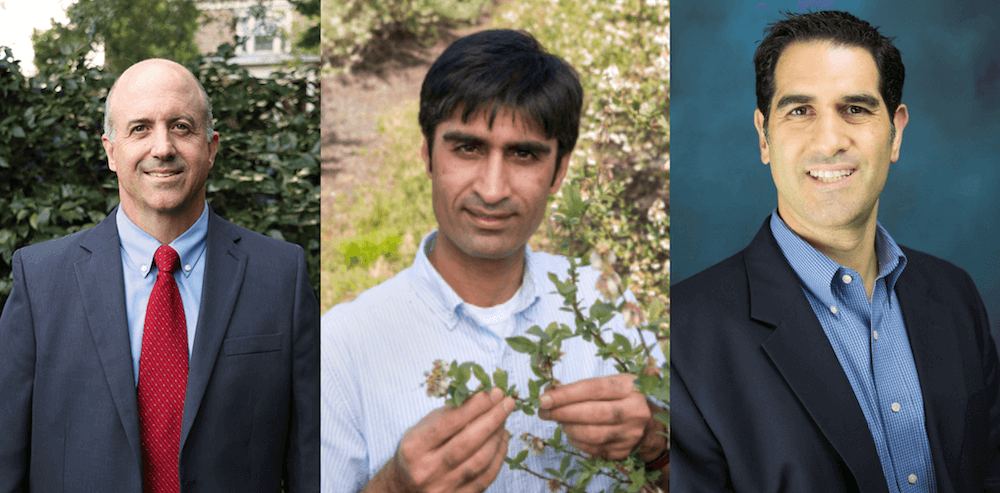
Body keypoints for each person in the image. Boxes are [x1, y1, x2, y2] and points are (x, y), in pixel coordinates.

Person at [320, 29, 667, 493]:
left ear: (559, 171)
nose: (493, 188)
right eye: (468, 148)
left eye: (524, 154)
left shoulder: (601, 298)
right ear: (426, 153)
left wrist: (655, 442)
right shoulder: (341, 347)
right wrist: (393, 487)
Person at [670, 10, 1000, 493]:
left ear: (896, 132)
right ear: (764, 136)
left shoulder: (954, 295)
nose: (829, 141)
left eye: (856, 109)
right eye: (800, 111)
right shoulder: (684, 335)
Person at [0, 58, 319, 492]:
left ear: (212, 147)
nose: (163, 147)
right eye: (140, 128)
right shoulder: (40, 281)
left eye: (182, 127)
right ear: (111, 151)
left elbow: (310, 459)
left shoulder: (281, 276)